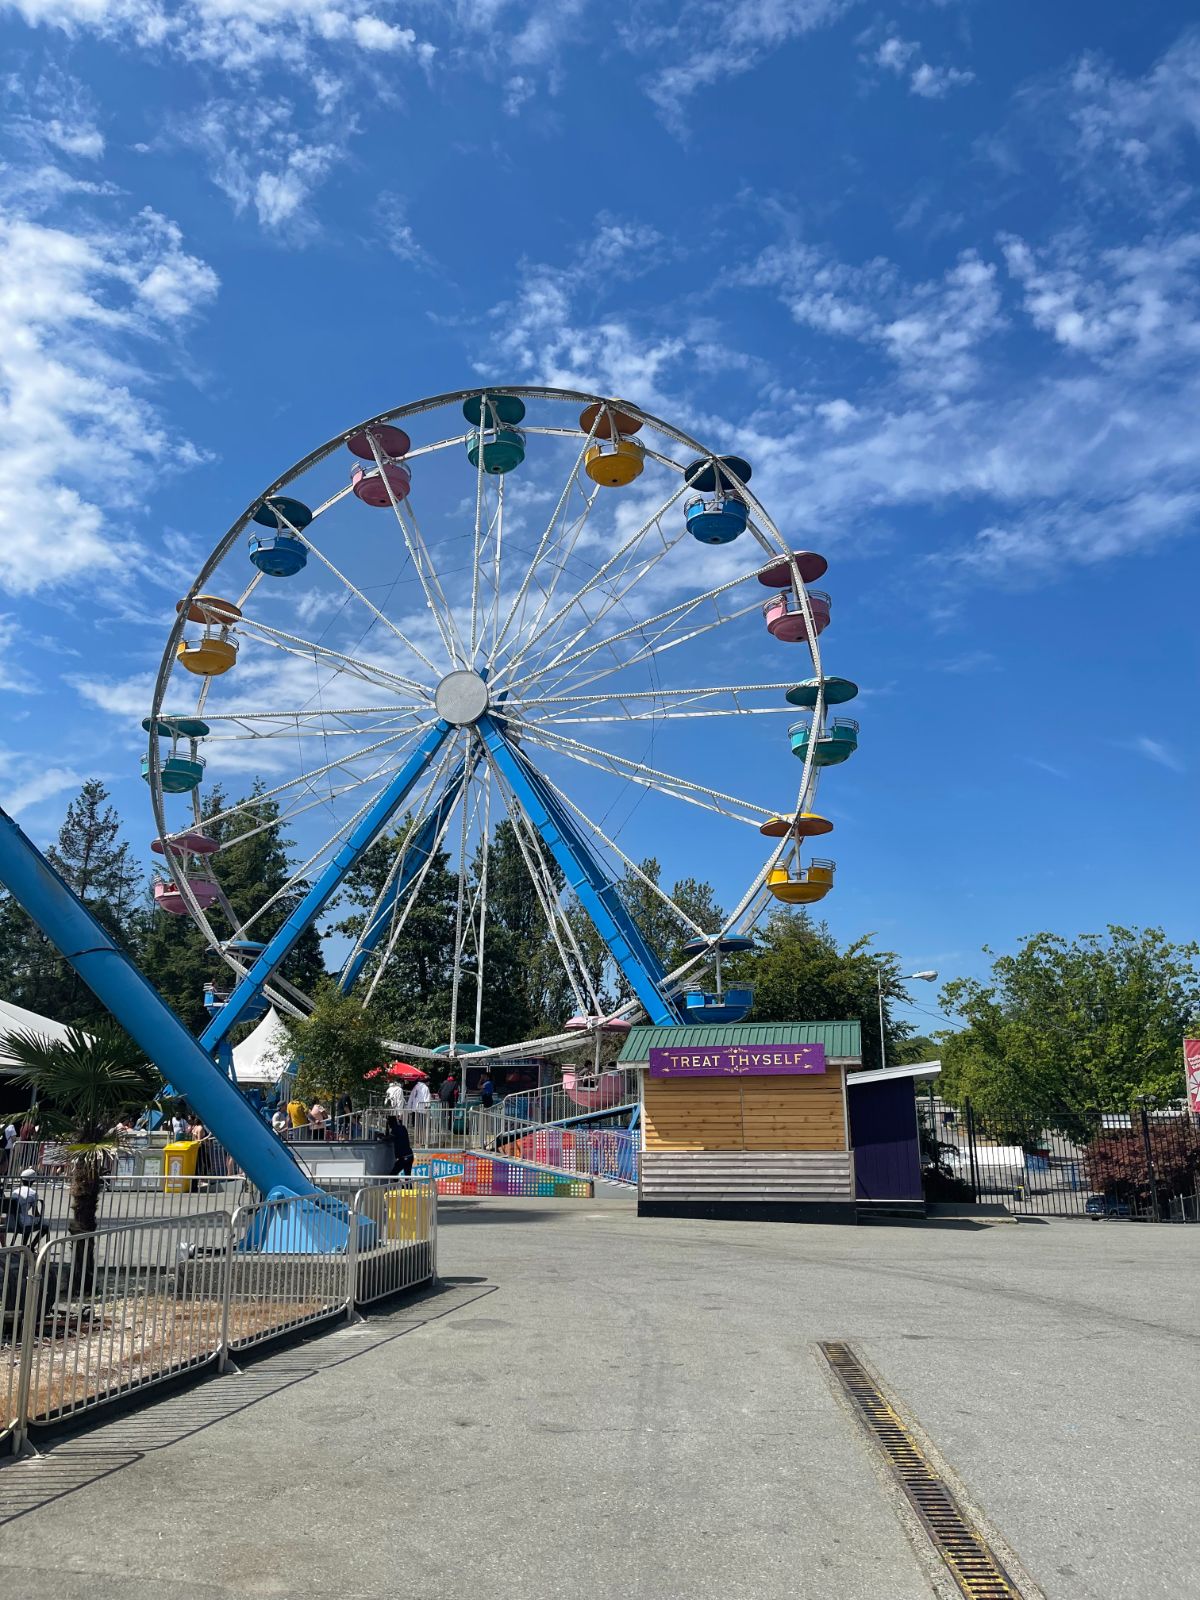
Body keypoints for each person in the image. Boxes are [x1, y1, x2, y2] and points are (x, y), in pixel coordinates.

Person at [7, 1168, 46, 1249]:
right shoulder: (33, 1193)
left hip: (11, 1221)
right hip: (22, 1222)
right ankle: (30, 1246)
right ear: (33, 1181)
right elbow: (35, 1213)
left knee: (28, 1221)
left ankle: (22, 1246)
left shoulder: (15, 1191)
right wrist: (40, 1217)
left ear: (21, 1180)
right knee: (45, 1226)